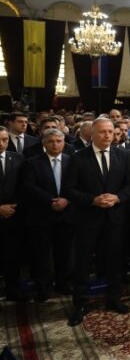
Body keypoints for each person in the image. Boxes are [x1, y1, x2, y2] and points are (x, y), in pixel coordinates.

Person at [64, 117, 130, 326]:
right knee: (83, 262)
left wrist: (118, 197)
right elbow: (69, 189)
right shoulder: (78, 158)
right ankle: (81, 304)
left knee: (114, 260)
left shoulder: (125, 156)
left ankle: (114, 299)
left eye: (110, 132)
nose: (107, 136)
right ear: (92, 134)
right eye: (102, 132)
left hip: (115, 217)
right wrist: (92, 200)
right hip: (88, 218)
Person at [22, 129, 73, 302]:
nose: (55, 144)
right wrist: (51, 201)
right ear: (43, 143)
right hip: (41, 215)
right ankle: (43, 288)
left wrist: (66, 200)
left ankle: (63, 283)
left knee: (64, 253)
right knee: (41, 255)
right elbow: (29, 187)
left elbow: (76, 185)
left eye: (59, 141)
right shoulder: (32, 163)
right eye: (51, 141)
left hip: (66, 215)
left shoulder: (71, 161)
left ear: (64, 142)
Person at [0, 126, 26, 301]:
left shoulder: (17, 158)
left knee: (13, 255)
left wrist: (13, 207)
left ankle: (13, 289)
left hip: (13, 216)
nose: (1, 143)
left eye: (4, 140)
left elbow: (24, 186)